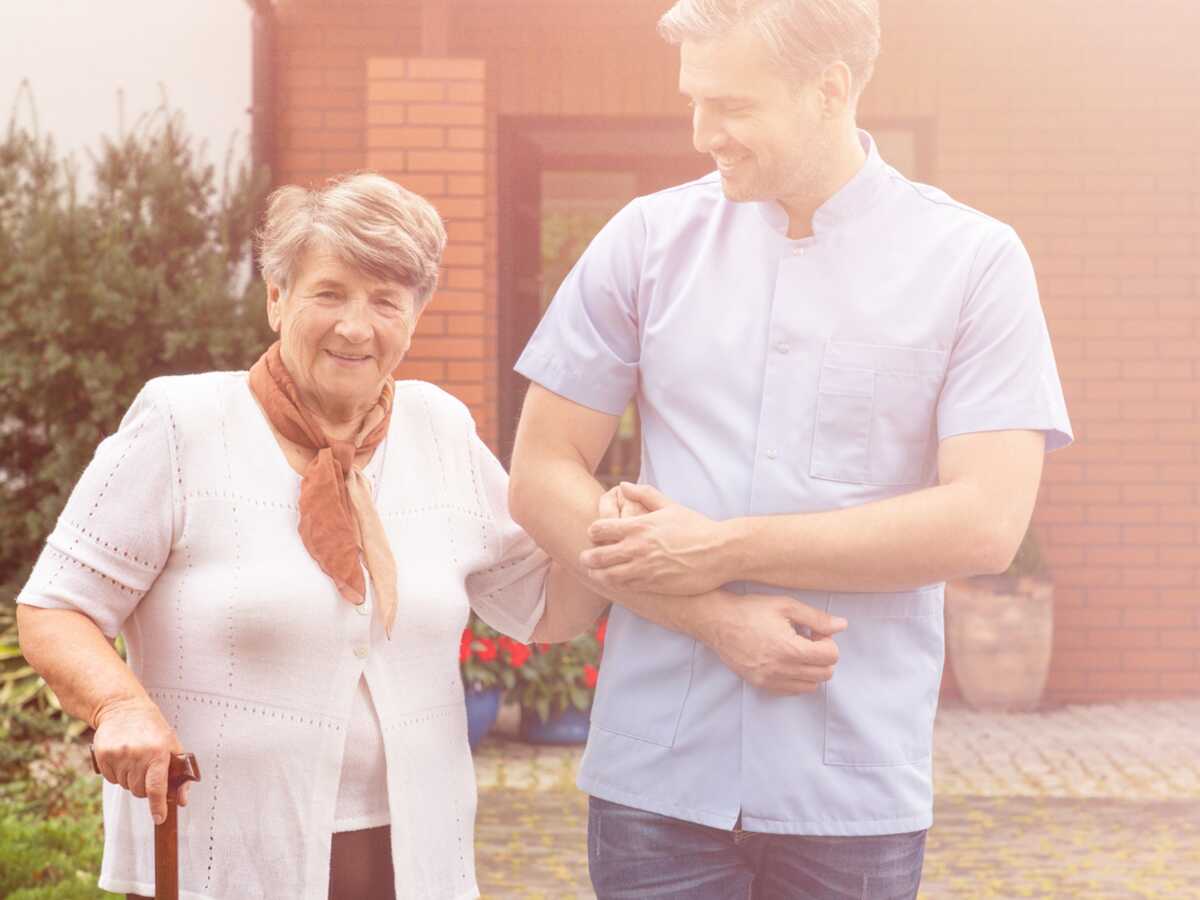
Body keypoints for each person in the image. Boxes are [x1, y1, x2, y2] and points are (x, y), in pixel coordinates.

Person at [508, 0, 1073, 897]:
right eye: (693, 101)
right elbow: (540, 474)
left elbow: (987, 521)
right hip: (656, 779)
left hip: (851, 789)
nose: (703, 134)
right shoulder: (647, 241)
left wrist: (727, 547)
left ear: (829, 89)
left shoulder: (973, 261)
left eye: (731, 105)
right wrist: (716, 619)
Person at [16, 173, 600, 900]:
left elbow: (542, 605)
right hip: (219, 856)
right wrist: (120, 706)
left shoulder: (439, 429)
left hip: (410, 858)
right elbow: (54, 607)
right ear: (276, 299)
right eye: (329, 293)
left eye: (386, 301)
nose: (357, 326)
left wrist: (612, 530)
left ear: (413, 317)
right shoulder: (182, 423)